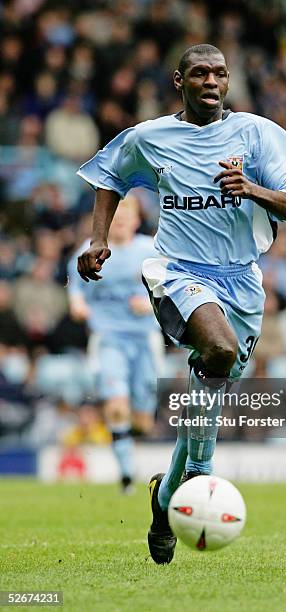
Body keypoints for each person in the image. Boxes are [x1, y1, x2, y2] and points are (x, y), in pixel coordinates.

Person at [76, 44, 286, 563]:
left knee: (213, 380)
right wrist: (98, 239)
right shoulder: (151, 137)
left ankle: (165, 498)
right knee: (221, 352)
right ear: (179, 80)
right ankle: (202, 477)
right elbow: (108, 175)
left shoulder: (258, 135)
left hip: (242, 280)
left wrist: (251, 189)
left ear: (228, 82)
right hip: (178, 270)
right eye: (201, 73)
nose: (212, 81)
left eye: (220, 73)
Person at [68, 194, 163, 494]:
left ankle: (127, 438)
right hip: (109, 339)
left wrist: (149, 305)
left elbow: (170, 294)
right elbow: (75, 293)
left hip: (146, 340)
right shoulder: (89, 252)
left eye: (126, 213)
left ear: (136, 220)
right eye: (115, 213)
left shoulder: (150, 252)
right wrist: (79, 306)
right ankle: (125, 478)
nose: (120, 218)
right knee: (117, 406)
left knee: (143, 422)